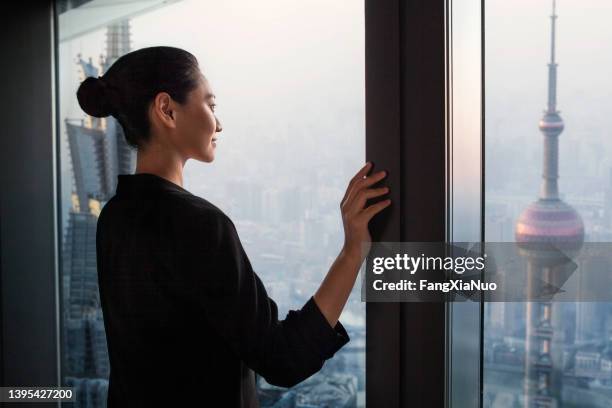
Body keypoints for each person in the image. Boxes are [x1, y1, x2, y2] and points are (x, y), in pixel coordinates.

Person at [79, 46, 391, 407]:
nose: (219, 122)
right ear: (167, 109)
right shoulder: (200, 225)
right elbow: (281, 358)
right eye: (210, 104)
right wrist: (353, 251)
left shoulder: (114, 217)